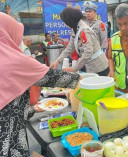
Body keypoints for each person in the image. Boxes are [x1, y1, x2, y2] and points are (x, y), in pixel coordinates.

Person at [0, 12, 81, 156]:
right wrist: (79, 78)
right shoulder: (12, 60)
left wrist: (32, 110)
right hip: (8, 141)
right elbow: (51, 77)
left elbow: (8, 106)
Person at [51, 7, 109, 76]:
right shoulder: (75, 29)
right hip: (90, 66)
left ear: (70, 20)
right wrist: (58, 60)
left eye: (65, 22)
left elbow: (88, 52)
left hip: (99, 67)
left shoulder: (83, 30)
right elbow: (70, 47)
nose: (65, 24)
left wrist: (73, 69)